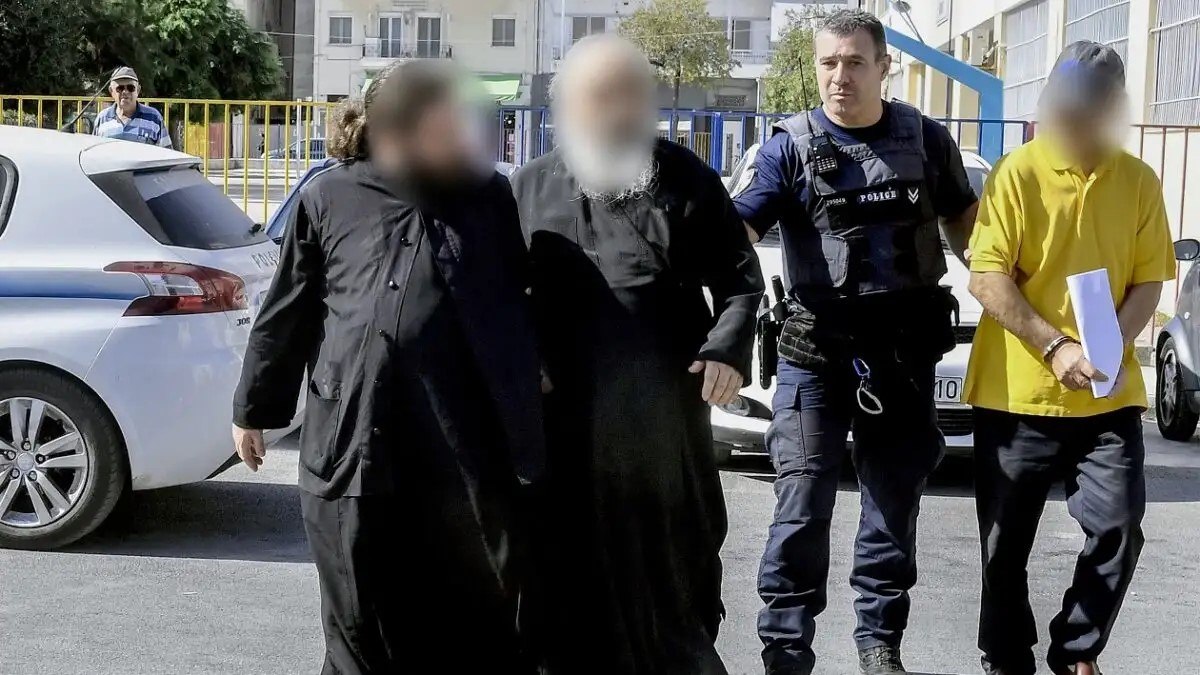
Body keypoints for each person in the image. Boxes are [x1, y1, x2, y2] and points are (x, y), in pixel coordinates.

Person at [230, 61, 543, 674]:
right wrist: (253, 410)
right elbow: (287, 313)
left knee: (466, 621)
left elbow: (517, 305)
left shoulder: (486, 198)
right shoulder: (328, 195)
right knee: (356, 623)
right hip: (352, 446)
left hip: (457, 452)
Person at [733, 9, 980, 675]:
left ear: (883, 67)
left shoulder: (925, 140)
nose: (839, 76)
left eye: (854, 62)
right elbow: (736, 234)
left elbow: (967, 224)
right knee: (800, 504)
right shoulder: (787, 147)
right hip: (815, 353)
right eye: (828, 63)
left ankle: (879, 645)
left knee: (892, 506)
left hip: (902, 355)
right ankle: (786, 652)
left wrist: (1007, 285)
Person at [511, 34, 764, 675]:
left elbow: (739, 279)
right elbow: (499, 298)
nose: (616, 110)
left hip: (663, 426)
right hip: (562, 426)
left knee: (670, 579)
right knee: (561, 582)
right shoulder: (528, 187)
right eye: (600, 96)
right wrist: (524, 362)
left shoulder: (687, 179)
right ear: (567, 104)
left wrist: (726, 352)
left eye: (629, 95)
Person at [965, 41, 1173, 675]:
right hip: (1015, 394)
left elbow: (1149, 281)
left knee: (1119, 528)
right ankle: (1006, 659)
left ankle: (1077, 653)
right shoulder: (1016, 174)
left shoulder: (1138, 181)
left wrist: (1110, 348)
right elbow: (987, 277)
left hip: (1108, 397)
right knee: (1003, 547)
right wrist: (1054, 347)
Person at [93, 67, 172, 149]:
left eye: (130, 88)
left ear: (138, 90)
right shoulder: (102, 118)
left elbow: (167, 152)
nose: (125, 92)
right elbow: (94, 152)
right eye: (120, 88)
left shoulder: (154, 117)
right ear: (111, 91)